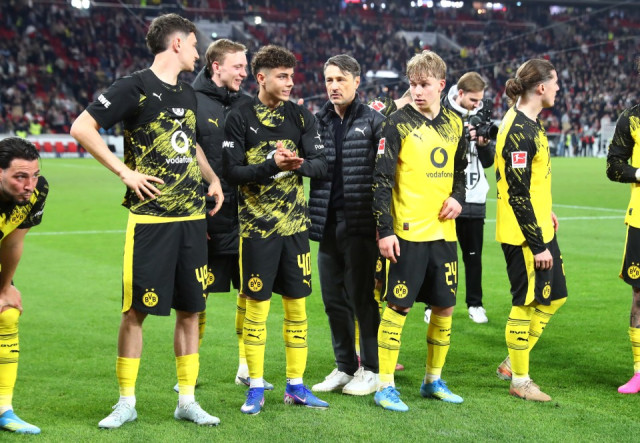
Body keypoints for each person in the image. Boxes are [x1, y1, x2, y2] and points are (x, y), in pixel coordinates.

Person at [70, 13, 224, 428]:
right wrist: (125, 172)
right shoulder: (133, 86)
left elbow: (189, 144)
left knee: (190, 310)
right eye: (194, 44)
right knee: (135, 311)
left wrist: (212, 179)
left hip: (192, 218)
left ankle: (187, 400)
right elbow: (82, 127)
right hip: (151, 220)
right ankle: (126, 402)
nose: (198, 53)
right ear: (177, 43)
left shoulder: (188, 93)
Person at [223, 45, 329, 415]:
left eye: (291, 76)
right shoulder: (239, 117)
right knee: (257, 310)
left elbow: (322, 164)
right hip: (257, 231)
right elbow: (231, 173)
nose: (289, 83)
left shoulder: (300, 116)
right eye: (282, 76)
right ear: (261, 78)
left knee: (297, 308)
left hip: (296, 229)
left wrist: (299, 165)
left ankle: (296, 386)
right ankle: (255, 386)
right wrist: (272, 164)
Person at [372, 51, 467, 412]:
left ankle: (432, 380)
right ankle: (385, 385)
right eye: (412, 84)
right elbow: (381, 180)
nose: (417, 91)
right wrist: (385, 230)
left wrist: (458, 197)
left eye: (424, 84)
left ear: (441, 85)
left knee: (445, 306)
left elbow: (461, 170)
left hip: (444, 233)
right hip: (407, 233)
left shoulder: (456, 123)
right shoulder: (396, 123)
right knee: (398, 306)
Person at [188, 38, 274, 391]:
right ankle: (189, 373)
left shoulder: (248, 104)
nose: (244, 73)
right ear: (216, 66)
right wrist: (195, 212)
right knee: (196, 299)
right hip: (206, 216)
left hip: (244, 216)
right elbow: (183, 159)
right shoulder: (189, 100)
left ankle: (246, 367)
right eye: (238, 66)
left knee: (249, 292)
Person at [309, 54, 384, 396]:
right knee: (332, 299)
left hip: (360, 224)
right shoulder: (317, 122)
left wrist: (383, 224)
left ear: (356, 81)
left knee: (362, 299)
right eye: (329, 80)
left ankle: (371, 369)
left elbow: (385, 176)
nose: (334, 86)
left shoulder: (374, 121)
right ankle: (345, 366)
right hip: (326, 222)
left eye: (340, 79)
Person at [494, 58, 567, 402]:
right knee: (525, 304)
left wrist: (545, 209)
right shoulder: (518, 130)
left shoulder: (530, 121)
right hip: (524, 236)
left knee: (556, 296)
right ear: (541, 87)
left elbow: (528, 184)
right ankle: (520, 381)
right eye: (555, 82)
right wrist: (537, 245)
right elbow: (517, 194)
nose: (558, 88)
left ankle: (512, 362)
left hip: (539, 226)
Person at [438, 71, 495, 324]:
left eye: (480, 100)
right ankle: (434, 304)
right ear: (460, 93)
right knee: (441, 258)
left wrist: (483, 144)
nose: (476, 104)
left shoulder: (482, 115)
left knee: (473, 257)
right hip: (446, 196)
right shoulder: (442, 113)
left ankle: (475, 304)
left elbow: (488, 162)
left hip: (474, 196)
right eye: (473, 100)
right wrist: (462, 136)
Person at [0, 138, 48, 435]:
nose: (29, 185)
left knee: (7, 313)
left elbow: (13, 241)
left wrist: (5, 287)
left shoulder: (36, 191)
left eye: (34, 175)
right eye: (20, 177)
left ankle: (3, 409)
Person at [605, 87, 640, 394]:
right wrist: (639, 172)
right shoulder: (631, 119)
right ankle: (639, 372)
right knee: (639, 296)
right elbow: (613, 166)